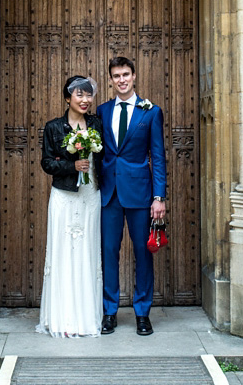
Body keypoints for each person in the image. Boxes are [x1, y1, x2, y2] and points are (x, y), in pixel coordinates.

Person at [96, 57, 166, 336]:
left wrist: (159, 196)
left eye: (126, 74)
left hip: (140, 193)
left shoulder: (151, 112)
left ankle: (142, 312)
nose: (122, 79)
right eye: (116, 76)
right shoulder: (101, 111)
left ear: (134, 76)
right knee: (109, 252)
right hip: (109, 193)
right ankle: (110, 311)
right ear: (111, 80)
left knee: (142, 253)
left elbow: (157, 157)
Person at [36, 75, 104, 337]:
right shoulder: (54, 127)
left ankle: (88, 318)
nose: (85, 100)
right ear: (68, 98)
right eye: (79, 95)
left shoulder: (96, 124)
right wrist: (71, 165)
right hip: (64, 196)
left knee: (87, 251)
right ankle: (61, 319)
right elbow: (47, 163)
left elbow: (104, 155)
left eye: (88, 95)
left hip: (90, 195)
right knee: (63, 252)